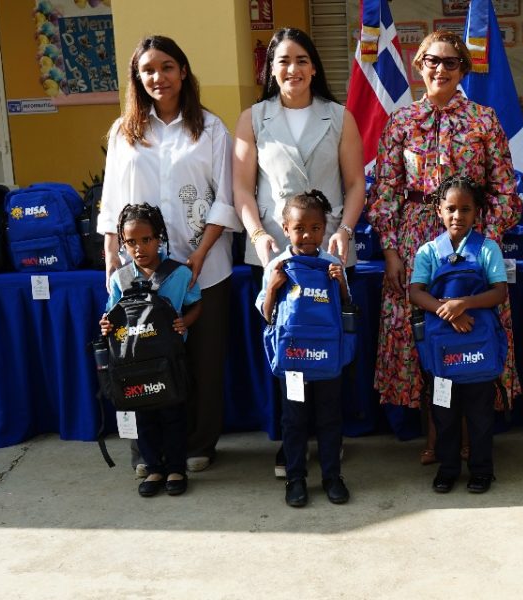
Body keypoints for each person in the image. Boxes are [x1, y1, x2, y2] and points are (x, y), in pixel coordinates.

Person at [366, 30, 522, 462]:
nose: (440, 69)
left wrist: (479, 243)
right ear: (418, 65)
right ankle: (436, 439)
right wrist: (393, 252)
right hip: (416, 244)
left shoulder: (483, 120)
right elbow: (385, 193)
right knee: (424, 338)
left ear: (463, 70)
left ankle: (472, 437)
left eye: (451, 62)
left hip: (472, 246)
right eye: (433, 60)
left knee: (471, 333)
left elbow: (507, 192)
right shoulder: (400, 123)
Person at [99, 35, 241, 474]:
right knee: (140, 359)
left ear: (183, 71)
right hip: (139, 273)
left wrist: (199, 253)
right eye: (148, 70)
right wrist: (110, 253)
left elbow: (226, 197)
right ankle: (148, 452)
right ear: (137, 79)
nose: (158, 77)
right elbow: (111, 199)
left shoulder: (211, 129)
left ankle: (198, 444)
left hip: (203, 268)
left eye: (166, 67)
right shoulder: (124, 133)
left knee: (202, 360)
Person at [232, 27, 364, 478]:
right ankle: (289, 442)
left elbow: (355, 183)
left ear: (314, 66)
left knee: (328, 342)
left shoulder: (339, 116)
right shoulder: (253, 118)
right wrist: (257, 237)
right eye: (284, 60)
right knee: (285, 343)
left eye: (302, 59)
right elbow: (241, 188)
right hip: (276, 252)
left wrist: (345, 228)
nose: (294, 69)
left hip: (327, 251)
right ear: (271, 68)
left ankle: (329, 436)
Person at [408, 176, 508, 494]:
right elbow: (415, 293)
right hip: (442, 349)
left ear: (476, 212)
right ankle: (448, 468)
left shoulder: (487, 248)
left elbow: (499, 292)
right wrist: (447, 312)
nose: (457, 216)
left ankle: (482, 470)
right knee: (445, 415)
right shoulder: (428, 252)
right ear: (439, 210)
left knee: (480, 415)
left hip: (479, 348)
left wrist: (464, 303)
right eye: (451, 208)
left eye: (465, 209)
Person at [255, 191, 352, 507]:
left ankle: (332, 477)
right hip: (293, 361)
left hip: (326, 358)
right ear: (285, 229)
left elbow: (347, 311)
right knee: (293, 421)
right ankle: (296, 479)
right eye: (299, 228)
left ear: (325, 229)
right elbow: (267, 315)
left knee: (329, 419)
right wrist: (272, 288)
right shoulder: (277, 266)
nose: (307, 235)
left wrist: (339, 284)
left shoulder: (333, 264)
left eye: (315, 228)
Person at [99, 204, 202, 497]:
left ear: (159, 238)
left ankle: (176, 469)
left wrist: (185, 322)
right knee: (145, 416)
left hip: (170, 361)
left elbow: (196, 302)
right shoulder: (119, 278)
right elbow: (112, 314)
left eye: (146, 240)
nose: (139, 248)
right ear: (122, 243)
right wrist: (106, 326)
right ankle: (154, 467)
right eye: (131, 242)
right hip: (135, 363)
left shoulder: (179, 274)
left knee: (174, 414)